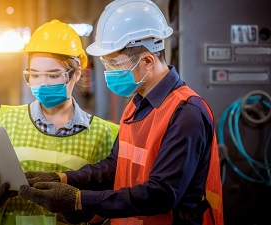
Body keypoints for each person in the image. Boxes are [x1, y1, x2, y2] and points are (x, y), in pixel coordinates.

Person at [19, 1, 224, 225]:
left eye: (114, 64)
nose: (108, 72)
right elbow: (115, 165)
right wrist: (64, 179)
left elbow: (161, 194)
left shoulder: (186, 113)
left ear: (147, 61)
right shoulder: (136, 104)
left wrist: (79, 200)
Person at [0, 19, 119, 225]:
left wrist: (81, 211)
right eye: (35, 75)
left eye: (52, 75)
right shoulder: (7, 121)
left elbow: (109, 207)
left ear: (76, 74)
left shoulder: (105, 134)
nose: (42, 83)